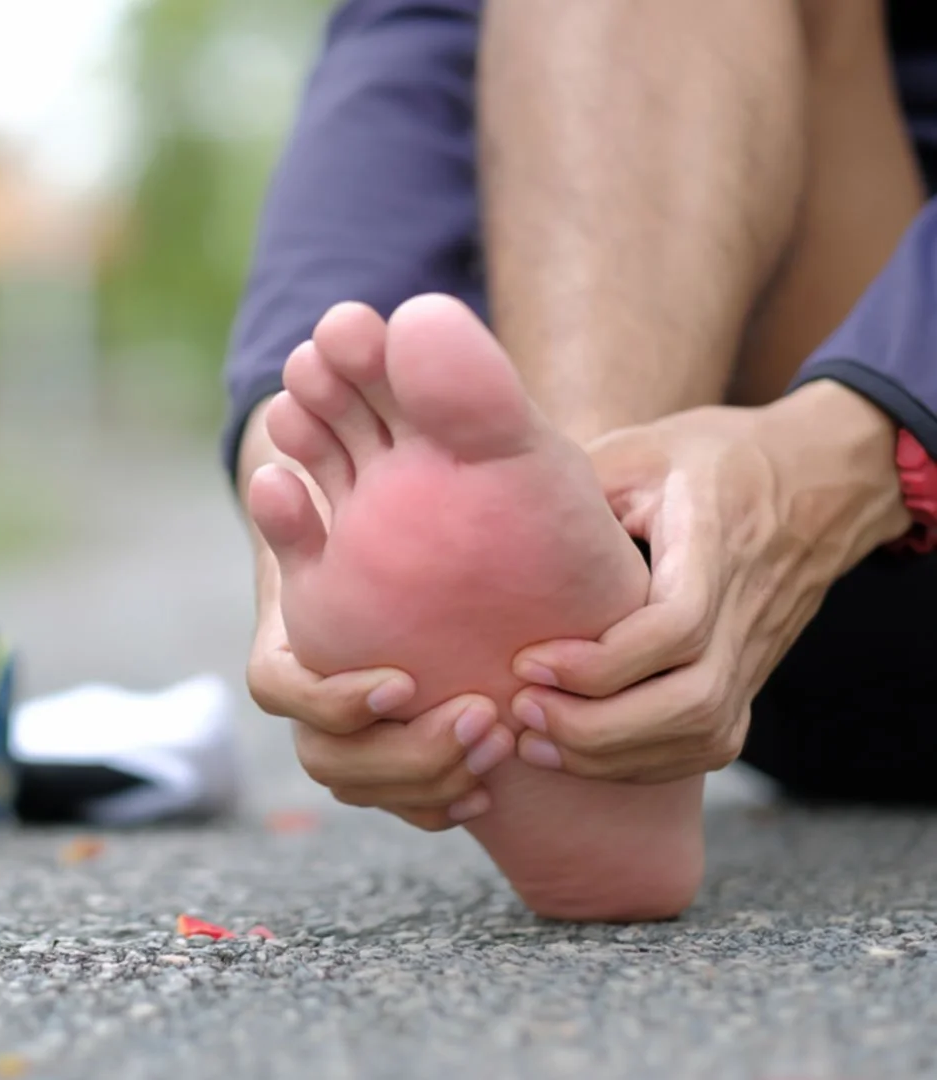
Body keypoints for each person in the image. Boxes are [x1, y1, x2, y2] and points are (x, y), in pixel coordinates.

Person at [225, 0, 937, 921]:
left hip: (846, 517)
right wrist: (299, 436)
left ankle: (581, 615)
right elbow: (415, 35)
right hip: (743, 627)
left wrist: (859, 442)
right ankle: (603, 601)